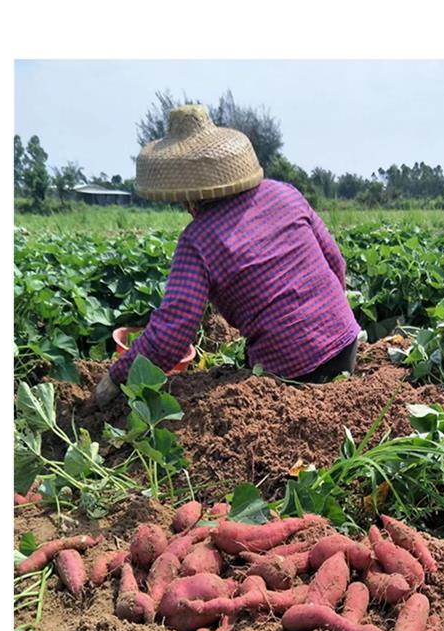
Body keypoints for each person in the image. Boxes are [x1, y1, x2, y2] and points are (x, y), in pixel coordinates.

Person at [93, 104, 360, 409]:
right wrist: (323, 323)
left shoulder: (197, 241)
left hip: (291, 373)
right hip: (346, 347)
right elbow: (335, 262)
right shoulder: (285, 193)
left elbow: (172, 335)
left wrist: (116, 376)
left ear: (184, 194)